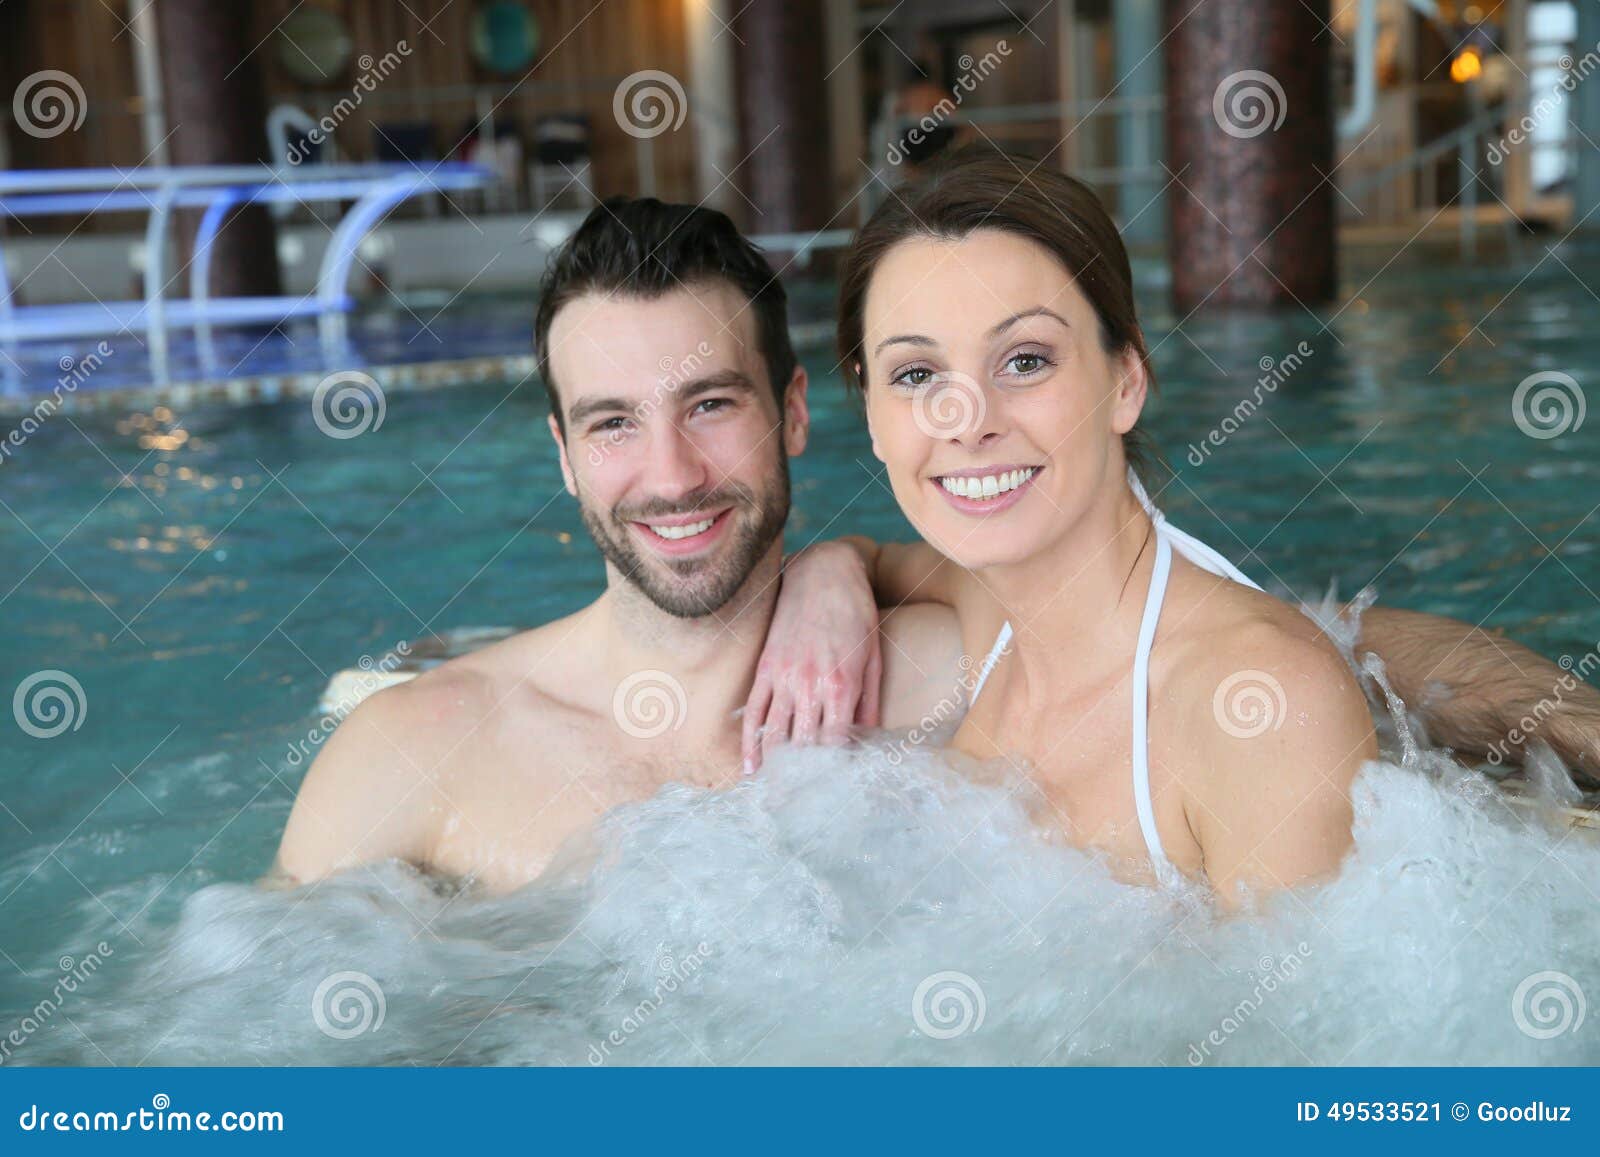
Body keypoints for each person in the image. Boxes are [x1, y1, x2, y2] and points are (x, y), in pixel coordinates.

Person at [270, 194, 1599, 896]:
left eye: (713, 404)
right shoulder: (415, 754)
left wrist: (1575, 720)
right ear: (561, 456)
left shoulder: (963, 661)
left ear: (794, 416)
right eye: (612, 423)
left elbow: (1311, 644)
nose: (670, 474)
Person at [750, 147, 1599, 905]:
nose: (968, 420)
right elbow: (893, 560)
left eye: (1026, 360)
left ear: (1126, 380)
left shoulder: (1256, 712)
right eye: (916, 372)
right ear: (868, 415)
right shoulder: (990, 610)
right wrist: (833, 568)